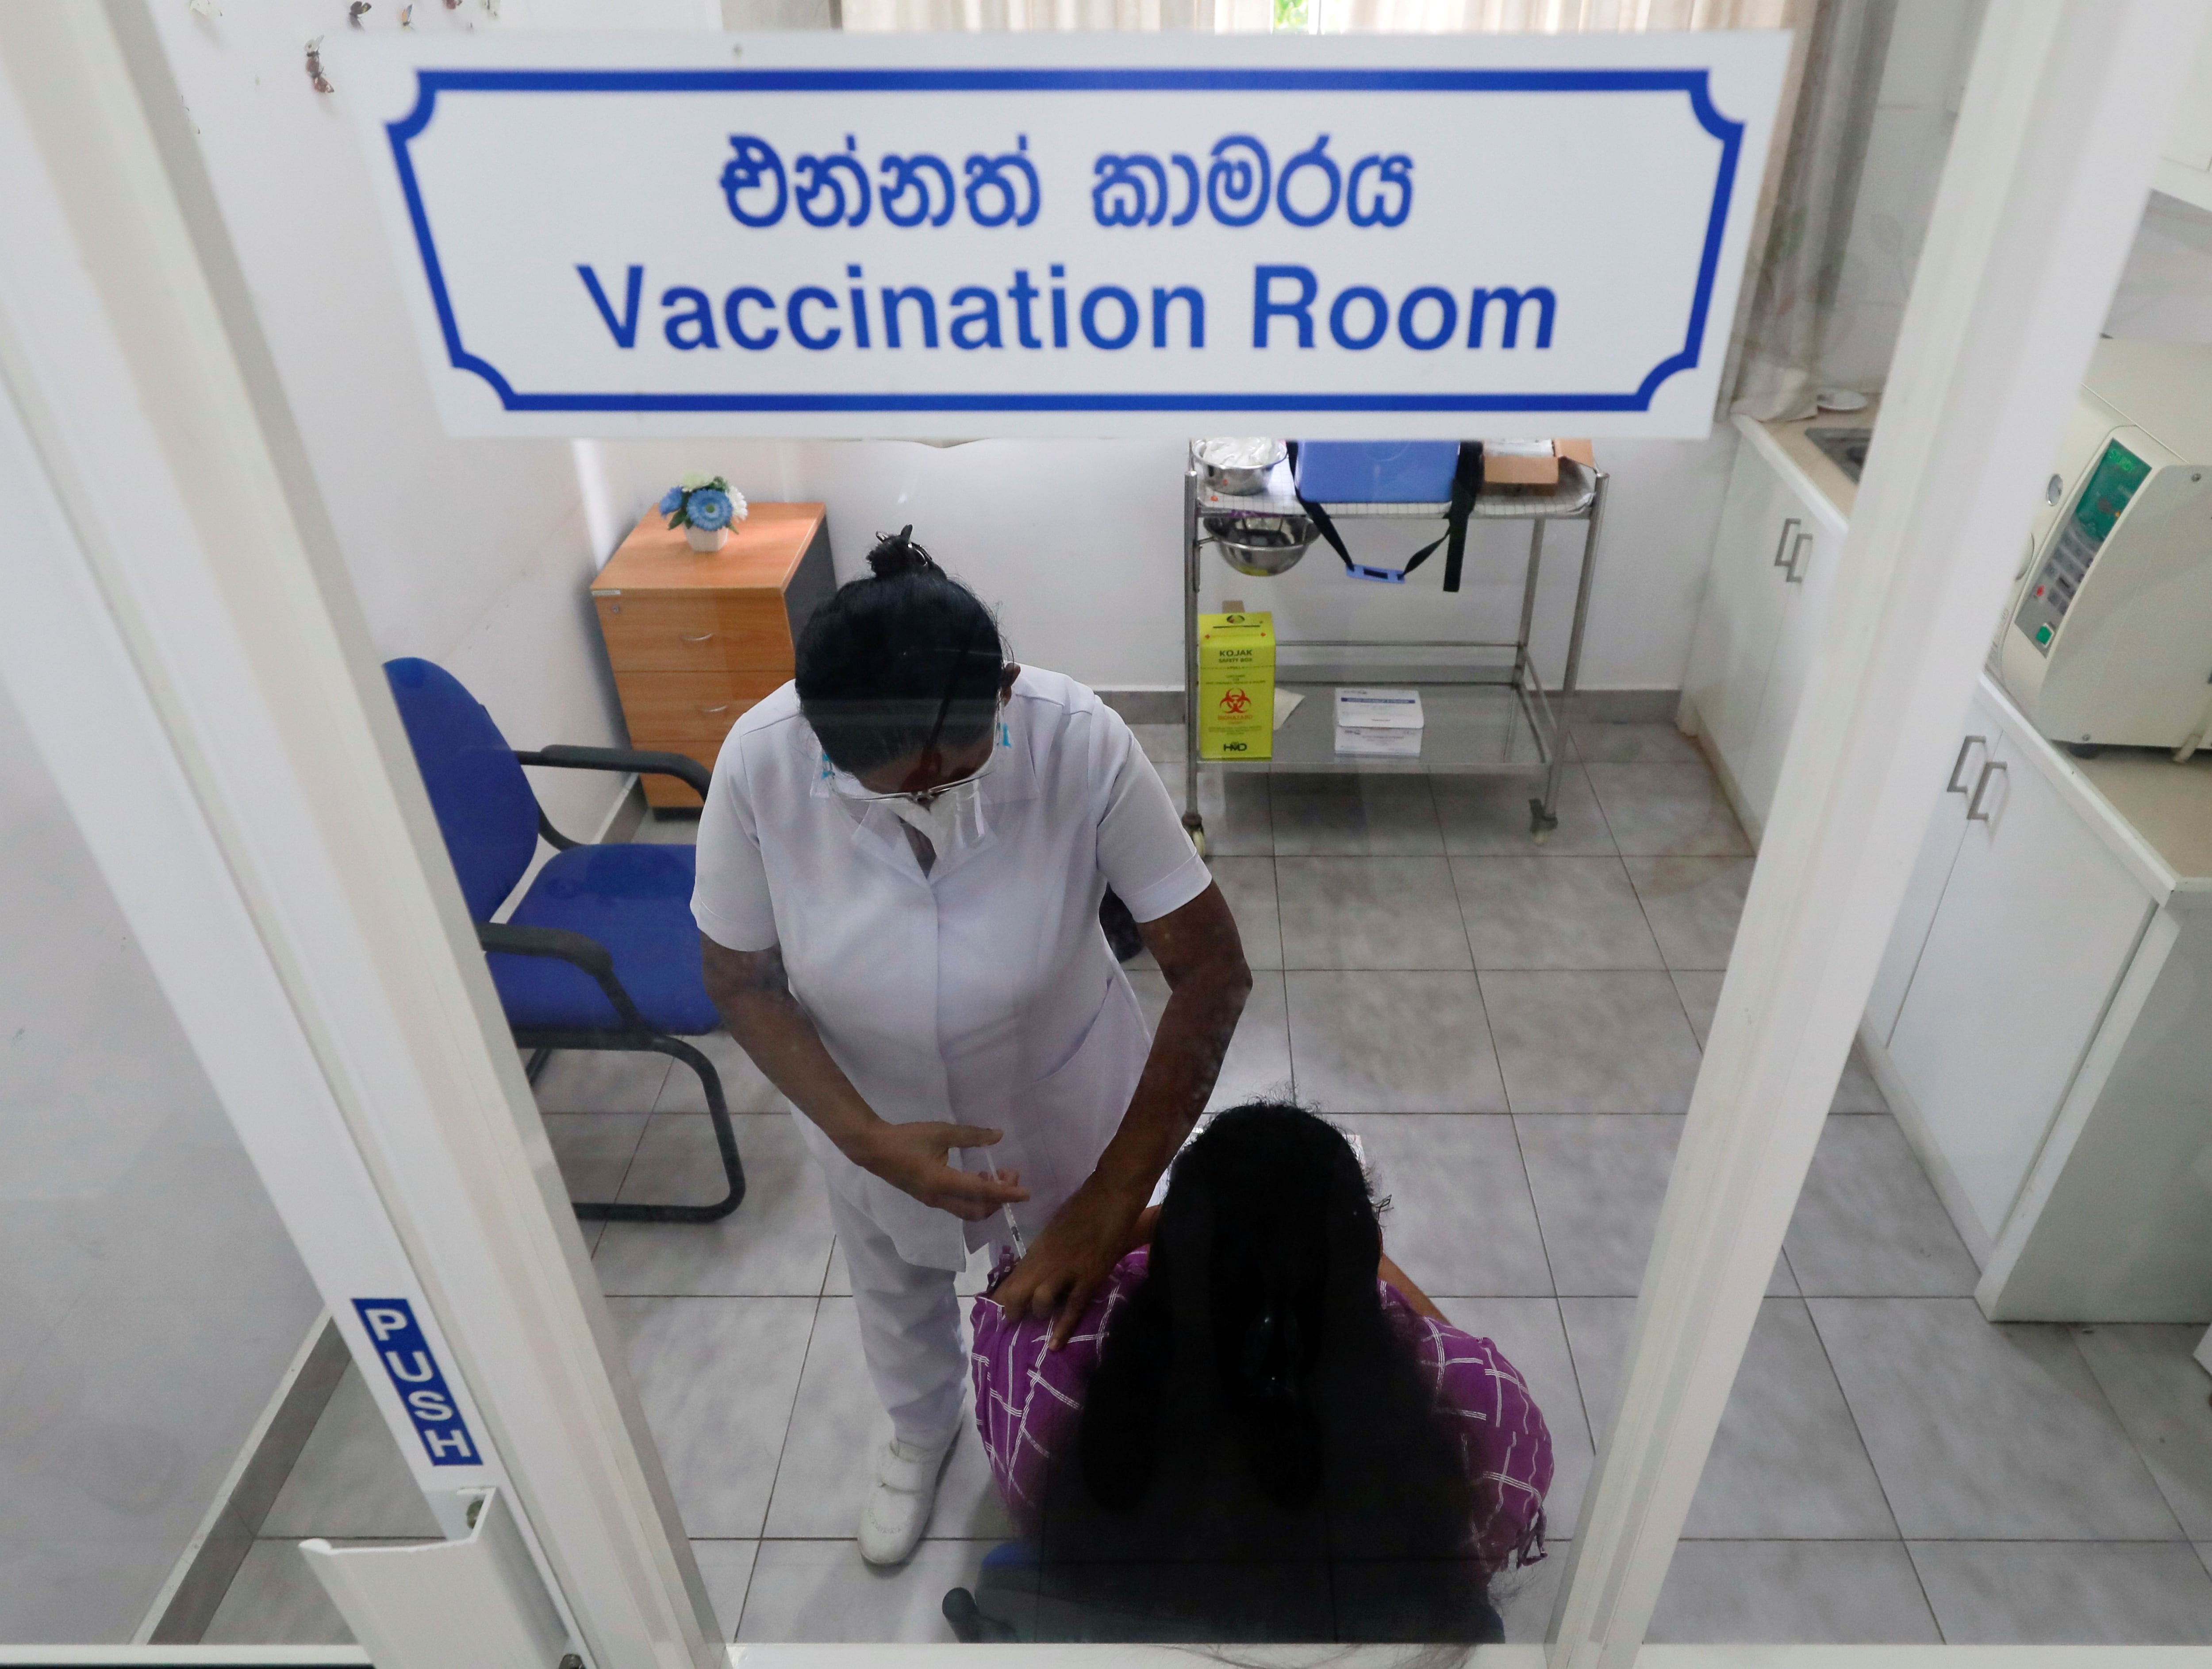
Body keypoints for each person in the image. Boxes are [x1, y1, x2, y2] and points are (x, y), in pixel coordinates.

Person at [692, 527, 1252, 1565]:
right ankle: (921, 1428)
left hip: (1065, 1086)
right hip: (871, 1101)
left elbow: (1213, 972)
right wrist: (866, 1139)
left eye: (939, 776)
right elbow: (739, 975)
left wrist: (1107, 1201)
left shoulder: (1075, 736)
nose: (915, 800)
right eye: (879, 785)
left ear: (1000, 693)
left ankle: (1080, 1426)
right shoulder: (763, 759)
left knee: (1088, 1287)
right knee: (895, 1288)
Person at [964, 1103, 1552, 1643]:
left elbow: (1018, 1294)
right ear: (1366, 1246)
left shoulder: (1040, 1358)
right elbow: (1449, 1349)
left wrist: (1152, 1228)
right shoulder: (1487, 1408)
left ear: (1172, 1252)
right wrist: (1326, 1251)